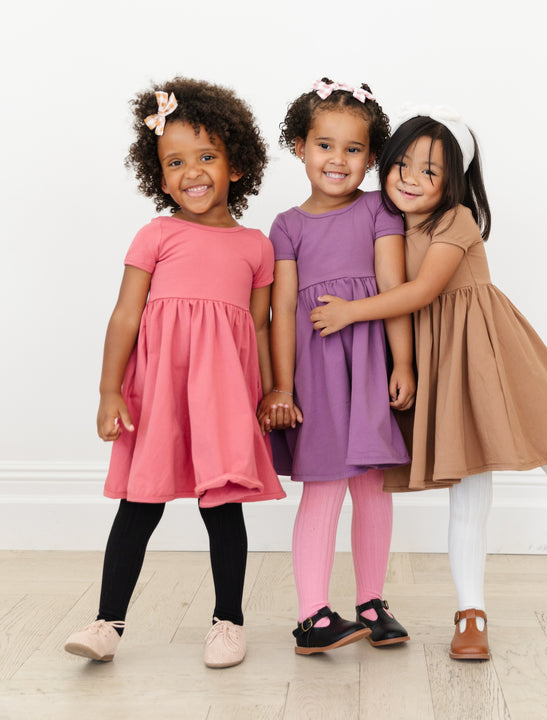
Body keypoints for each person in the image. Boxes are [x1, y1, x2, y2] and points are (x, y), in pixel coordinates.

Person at [309, 107, 547, 660]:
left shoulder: (456, 220)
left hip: (491, 354)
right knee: (468, 490)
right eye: (401, 163)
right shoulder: (383, 219)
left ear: (454, 181)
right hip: (441, 363)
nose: (410, 178)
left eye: (429, 172)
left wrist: (352, 312)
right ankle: (470, 612)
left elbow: (423, 291)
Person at [63, 77, 285, 669]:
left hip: (222, 398)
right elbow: (125, 315)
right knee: (139, 505)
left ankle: (228, 621)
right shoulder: (156, 235)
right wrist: (110, 388)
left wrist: (270, 392)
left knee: (223, 508)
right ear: (159, 176)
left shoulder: (256, 247)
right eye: (176, 162)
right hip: (159, 396)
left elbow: (260, 328)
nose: (192, 172)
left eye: (207, 156)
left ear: (237, 164)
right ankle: (108, 622)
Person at [258, 79, 415, 655]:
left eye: (353, 150)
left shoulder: (378, 208)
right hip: (316, 373)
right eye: (325, 145)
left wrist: (404, 362)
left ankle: (372, 601)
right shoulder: (287, 226)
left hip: (369, 363)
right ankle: (311, 616)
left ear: (372, 158)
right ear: (299, 146)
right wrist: (280, 384)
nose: (338, 160)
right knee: (323, 489)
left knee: (373, 486)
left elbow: (394, 285)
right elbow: (281, 312)